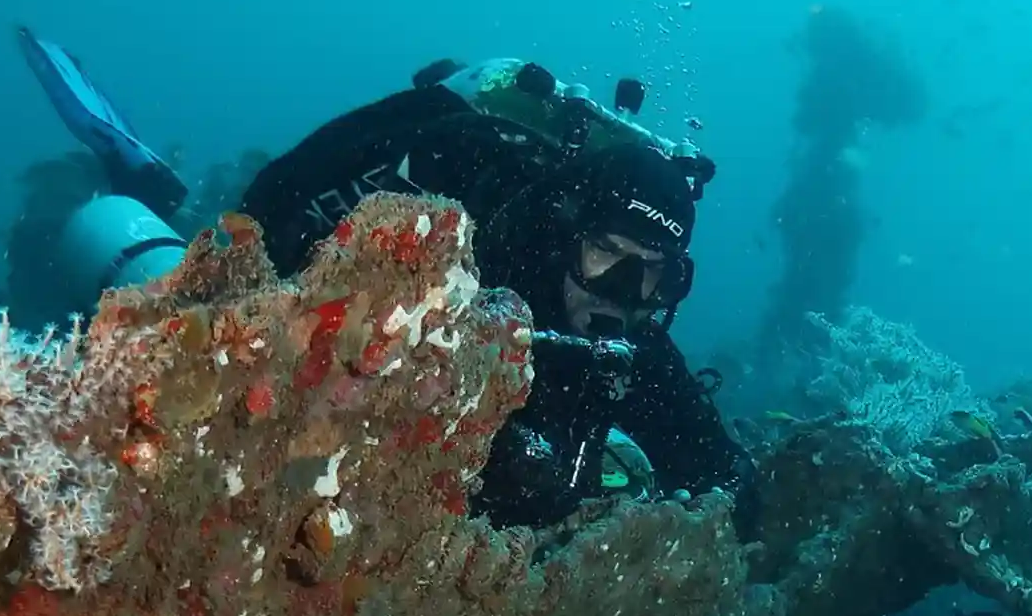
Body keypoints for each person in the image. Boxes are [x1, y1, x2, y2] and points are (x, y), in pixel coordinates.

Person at [237, 58, 757, 530]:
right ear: (564, 236)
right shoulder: (478, 257)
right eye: (605, 251)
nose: (622, 290)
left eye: (650, 273)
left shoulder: (631, 344)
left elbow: (718, 468)